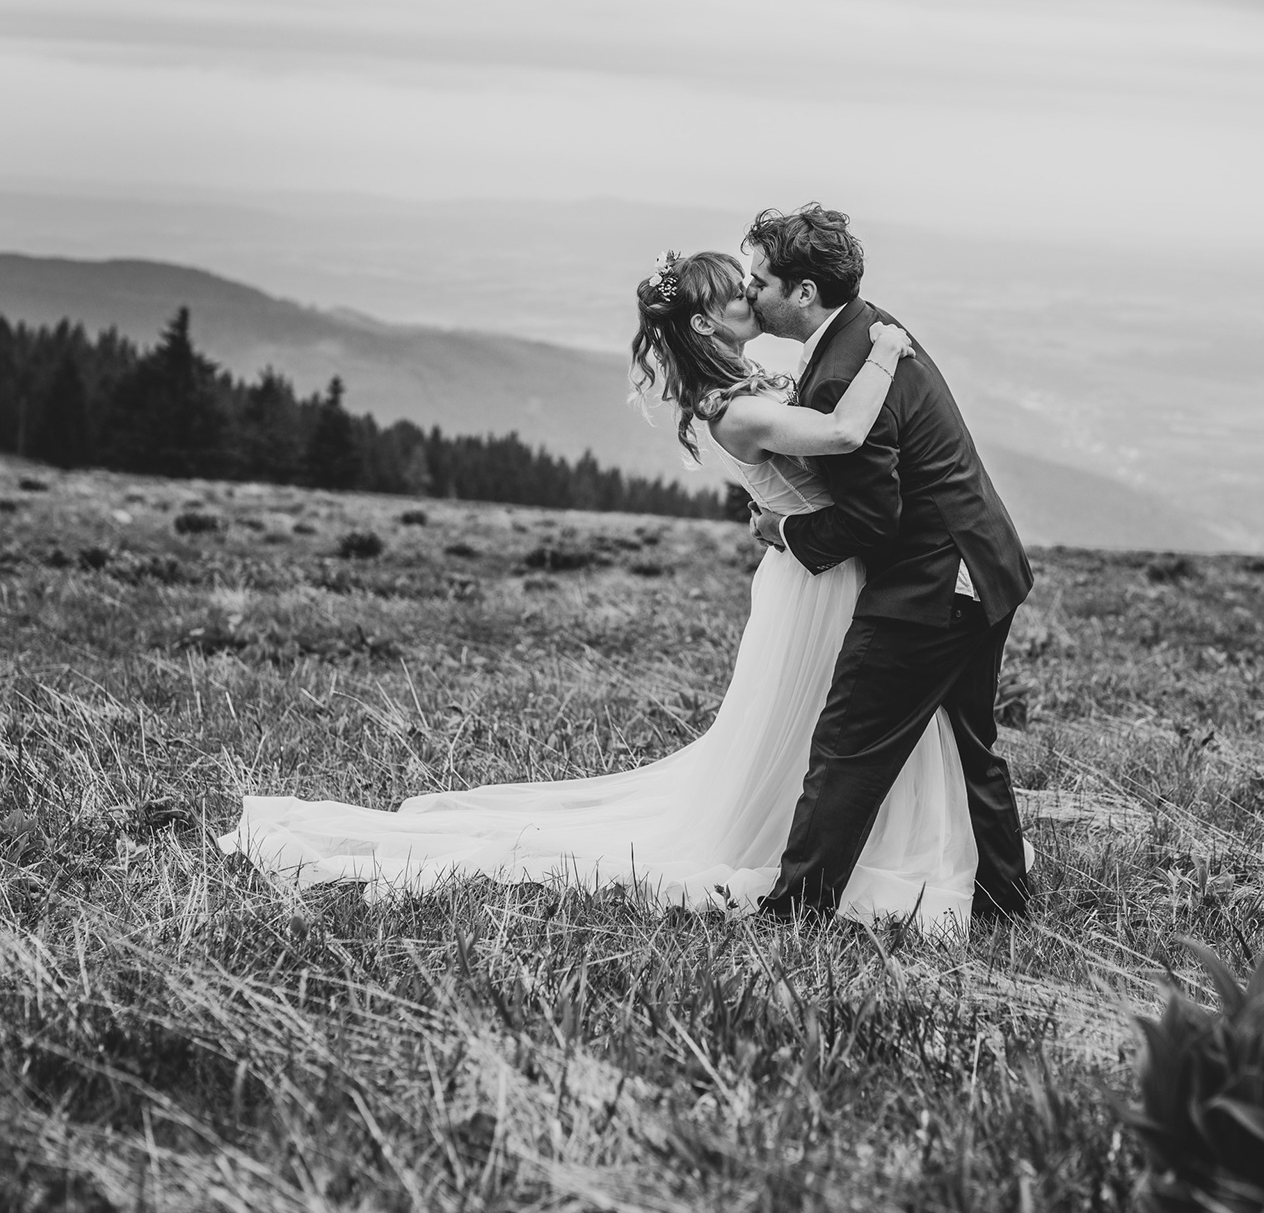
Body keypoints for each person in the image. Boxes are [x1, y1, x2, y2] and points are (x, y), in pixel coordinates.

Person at [219, 245, 983, 931]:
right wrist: (886, 350)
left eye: (750, 283)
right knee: (833, 722)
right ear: (708, 325)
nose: (752, 295)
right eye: (736, 292)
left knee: (841, 719)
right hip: (819, 581)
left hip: (826, 567)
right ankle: (824, 861)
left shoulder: (749, 384)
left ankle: (848, 847)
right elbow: (843, 435)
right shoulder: (739, 409)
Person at [742, 204, 1033, 921]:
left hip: (933, 584)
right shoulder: (872, 329)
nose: (749, 291)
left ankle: (796, 909)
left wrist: (782, 529)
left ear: (803, 292)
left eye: (760, 281)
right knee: (970, 744)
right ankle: (1006, 903)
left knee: (849, 744)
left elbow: (874, 518)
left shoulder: (840, 377)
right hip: (984, 562)